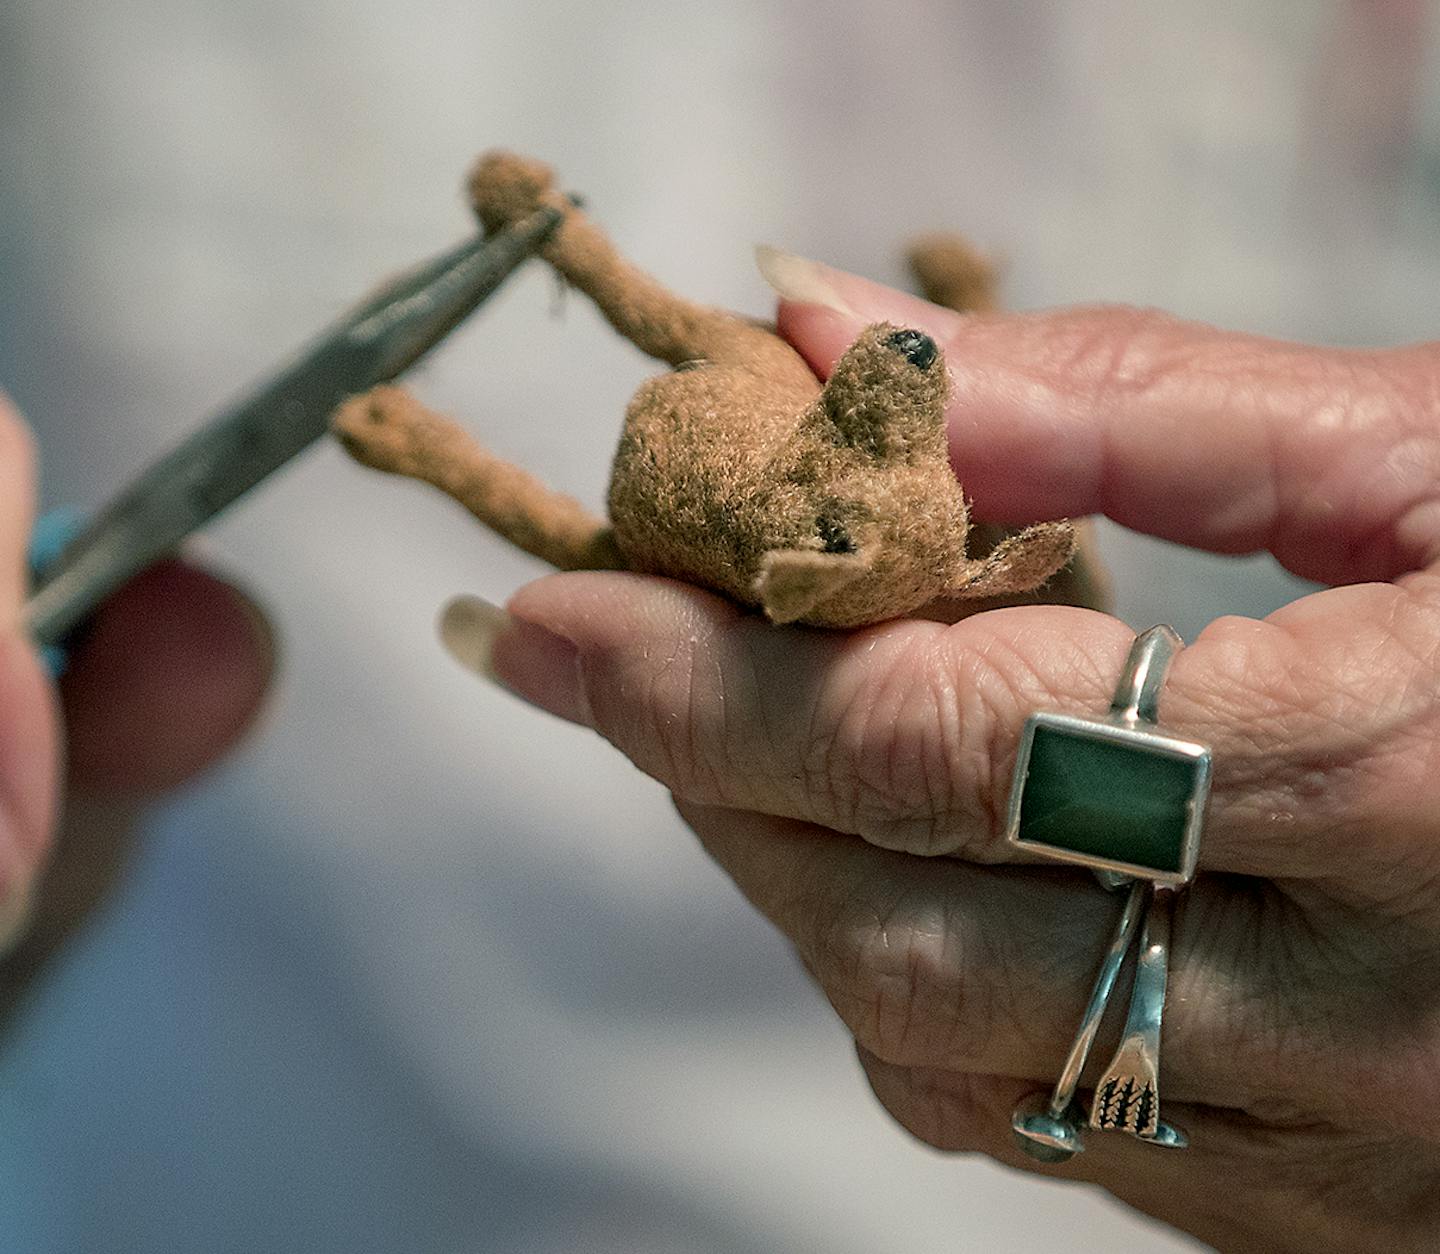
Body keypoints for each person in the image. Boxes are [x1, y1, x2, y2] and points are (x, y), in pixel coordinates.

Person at [3, 3, 1434, 1252]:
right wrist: (555, 255)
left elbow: (999, 552)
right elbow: (652, 338)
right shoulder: (765, 403)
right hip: (240, 1163)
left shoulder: (879, 537)